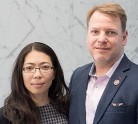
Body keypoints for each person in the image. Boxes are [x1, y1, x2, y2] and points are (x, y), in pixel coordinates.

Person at [69, 2, 138, 124]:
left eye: (110, 32)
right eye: (95, 31)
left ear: (124, 37)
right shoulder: (77, 76)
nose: (101, 39)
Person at [0, 42, 69, 124]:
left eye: (45, 67)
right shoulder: (5, 116)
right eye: (29, 68)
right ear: (20, 74)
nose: (37, 75)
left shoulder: (68, 109)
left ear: (54, 73)